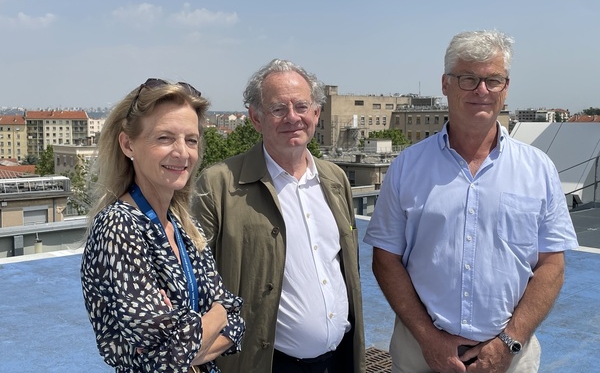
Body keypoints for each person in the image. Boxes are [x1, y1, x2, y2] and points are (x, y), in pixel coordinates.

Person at [364, 30, 578, 373]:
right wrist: (429, 339)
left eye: (493, 80)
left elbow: (552, 264)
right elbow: (385, 259)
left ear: (505, 88)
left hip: (511, 356)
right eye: (468, 79)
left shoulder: (538, 169)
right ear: (446, 84)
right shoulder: (407, 166)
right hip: (420, 354)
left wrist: (509, 341)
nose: (482, 90)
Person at [193, 59, 366, 373]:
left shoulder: (335, 180)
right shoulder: (219, 184)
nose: (292, 118)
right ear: (256, 118)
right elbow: (192, 280)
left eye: (302, 106)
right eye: (277, 109)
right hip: (266, 364)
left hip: (338, 360)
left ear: (316, 113)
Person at [80, 78, 245, 373]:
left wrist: (196, 328)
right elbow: (164, 359)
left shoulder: (184, 225)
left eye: (191, 140)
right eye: (165, 138)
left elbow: (234, 321)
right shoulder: (118, 227)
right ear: (128, 144)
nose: (182, 153)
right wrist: (213, 317)